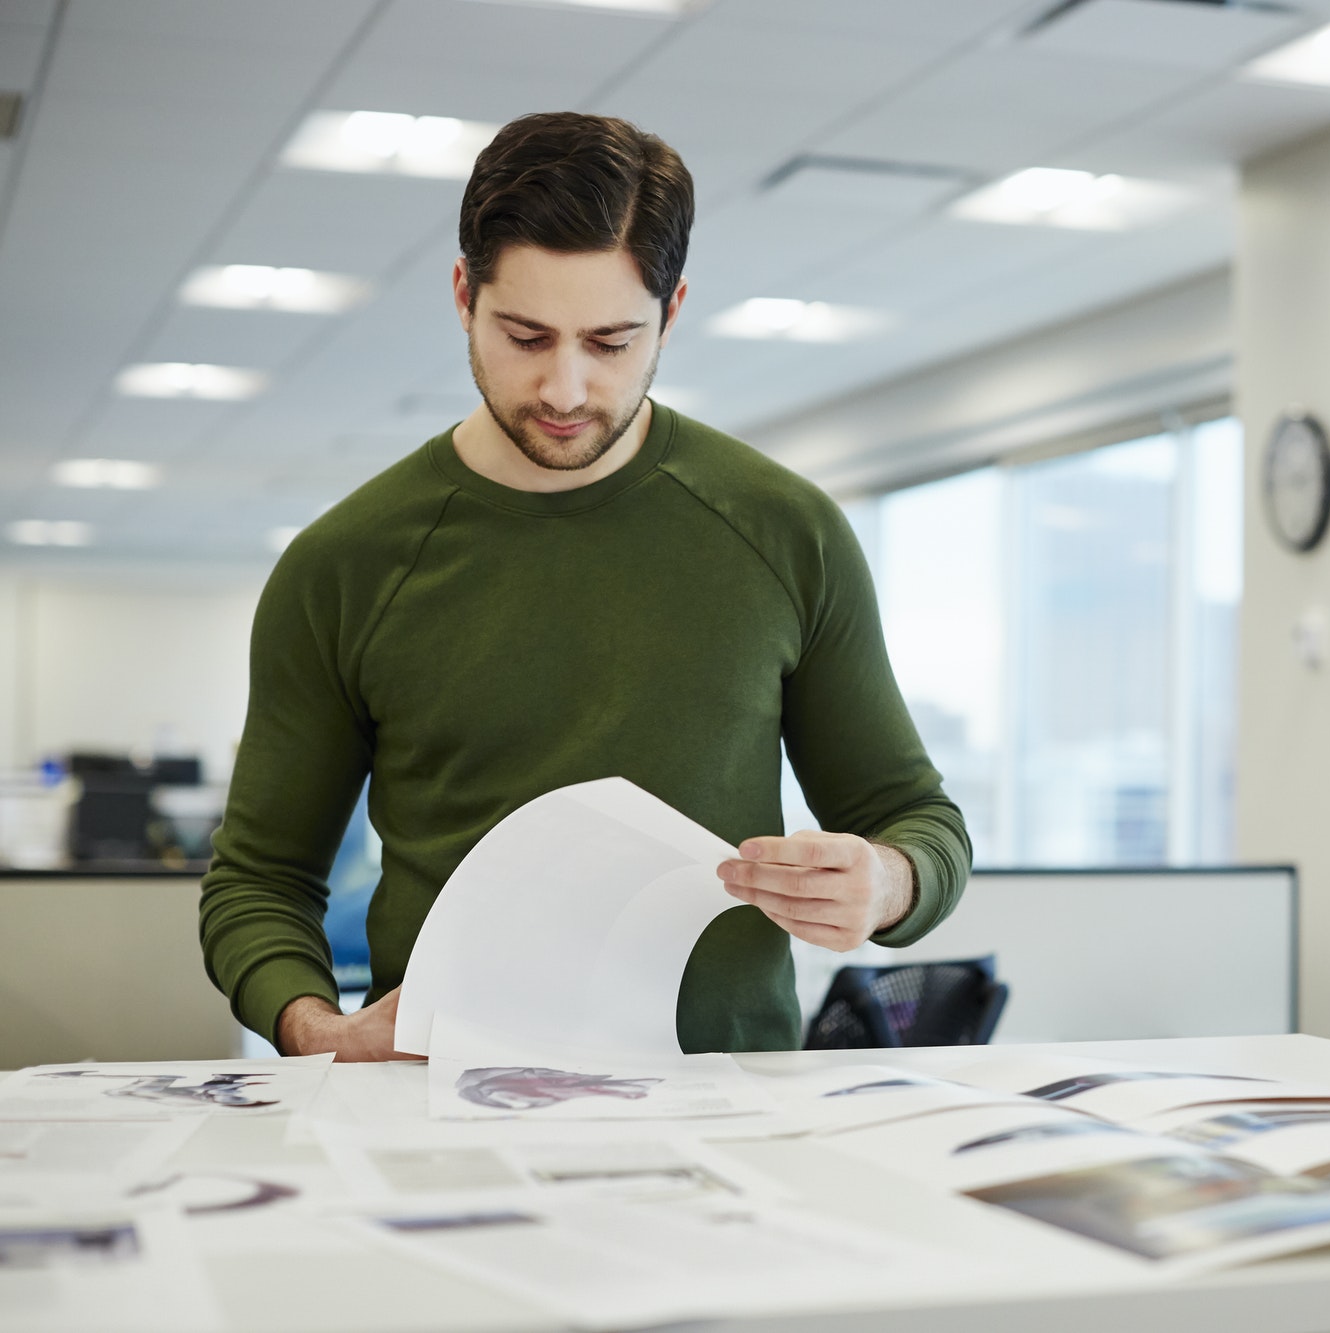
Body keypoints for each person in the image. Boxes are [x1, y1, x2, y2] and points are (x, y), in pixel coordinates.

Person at [198, 111, 970, 1061]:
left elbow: (920, 821)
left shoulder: (786, 531)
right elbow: (259, 880)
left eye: (609, 342)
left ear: (672, 312)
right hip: (438, 1106)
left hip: (728, 1112)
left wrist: (887, 881)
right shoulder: (346, 564)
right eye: (526, 336)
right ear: (462, 297)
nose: (564, 389)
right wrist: (318, 1030)